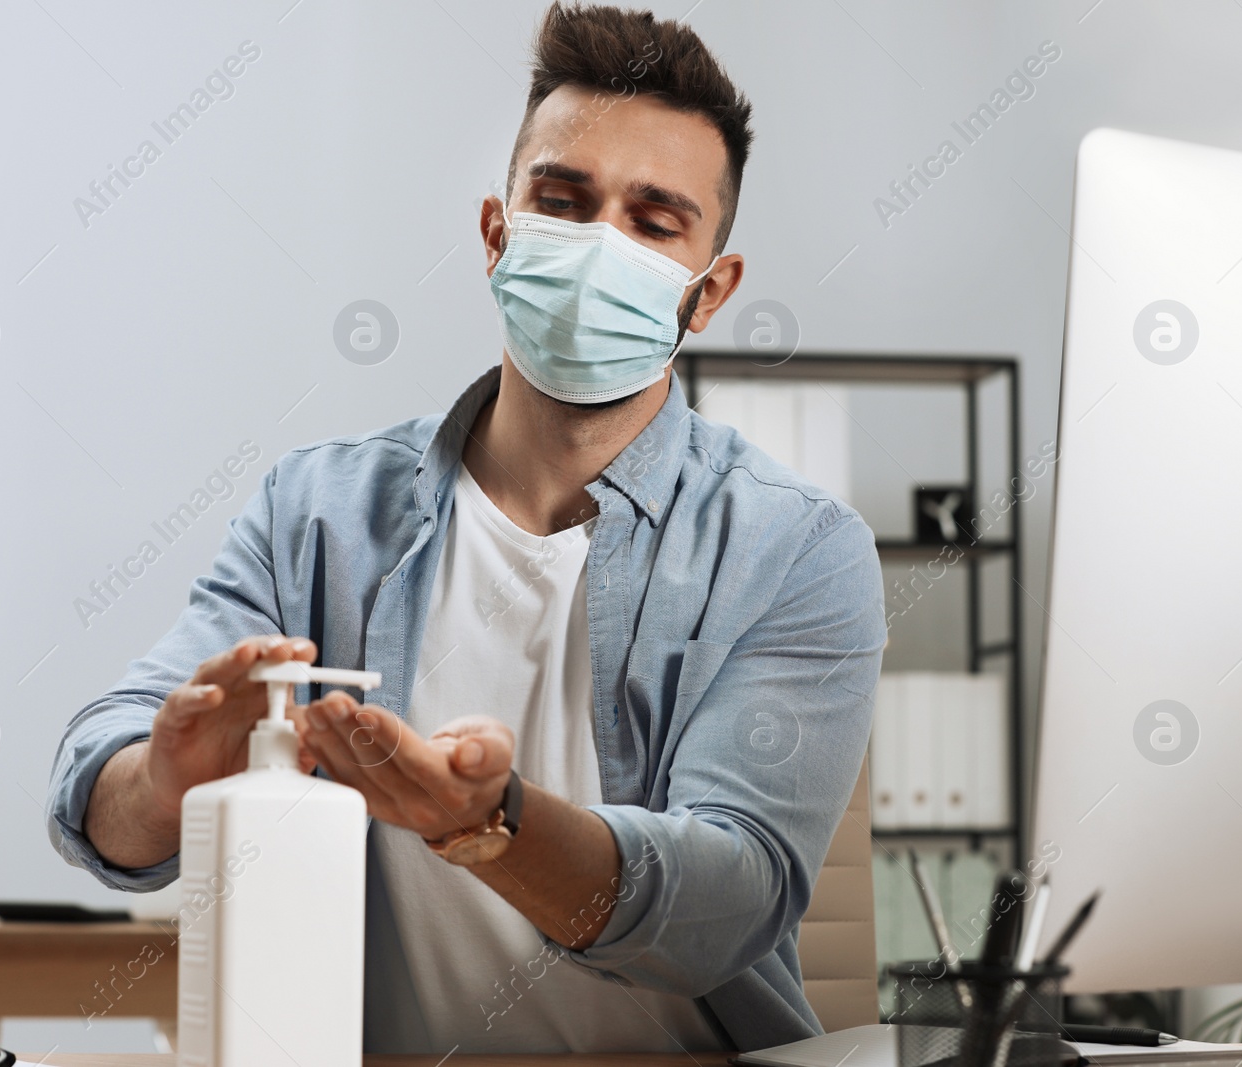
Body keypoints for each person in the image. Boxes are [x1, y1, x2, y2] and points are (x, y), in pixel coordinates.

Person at [47, 2, 885, 1054]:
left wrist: (490, 825)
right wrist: (165, 777)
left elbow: (731, 893)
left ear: (708, 292)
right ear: (498, 234)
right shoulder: (317, 514)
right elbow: (97, 782)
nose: (595, 246)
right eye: (563, 199)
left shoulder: (795, 550)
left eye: (652, 220)